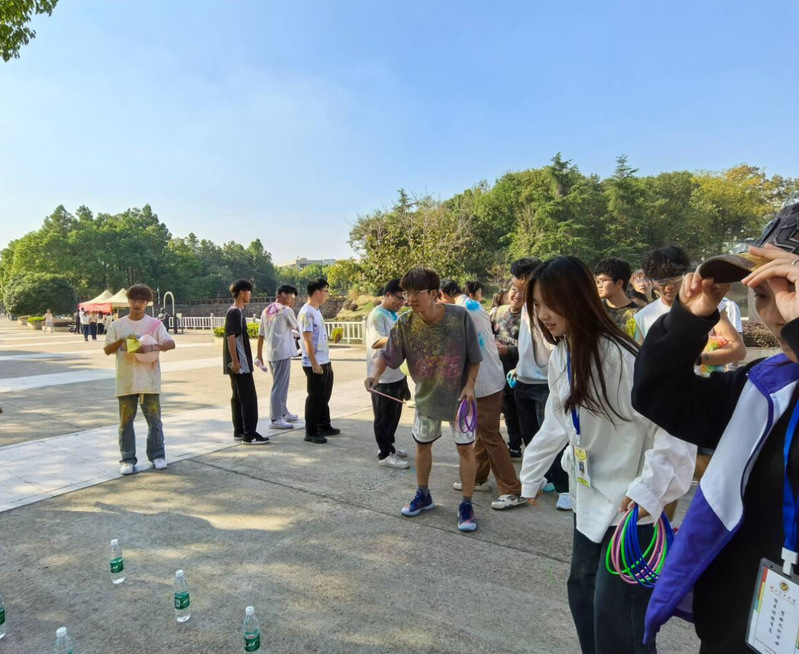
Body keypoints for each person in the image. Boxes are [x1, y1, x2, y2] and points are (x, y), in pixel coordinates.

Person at [632, 202, 799, 653]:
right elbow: (660, 397)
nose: (776, 313)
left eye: (791, 290)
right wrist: (688, 321)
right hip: (744, 622)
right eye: (762, 294)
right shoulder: (766, 386)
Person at [520, 256, 695, 654]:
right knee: (582, 594)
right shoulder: (564, 353)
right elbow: (557, 421)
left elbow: (672, 431)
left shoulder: (621, 357)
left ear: (576, 298)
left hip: (629, 510)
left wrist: (649, 490)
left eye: (550, 303)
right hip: (588, 498)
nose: (542, 315)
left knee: (618, 620)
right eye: (537, 305)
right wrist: (530, 476)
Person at [366, 267, 483, 532]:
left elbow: (475, 357)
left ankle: (466, 504)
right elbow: (387, 355)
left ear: (433, 293)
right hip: (426, 398)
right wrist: (374, 375)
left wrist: (470, 386)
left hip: (460, 399)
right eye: (407, 293)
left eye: (416, 293)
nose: (410, 299)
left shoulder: (459, 317)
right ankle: (423, 494)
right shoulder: (405, 323)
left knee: (466, 449)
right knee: (422, 446)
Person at [440, 280, 525, 510]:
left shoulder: (459, 312)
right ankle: (477, 477)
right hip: (490, 377)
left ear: (442, 294)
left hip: (483, 382)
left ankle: (512, 490)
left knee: (490, 436)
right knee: (481, 432)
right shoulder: (473, 305)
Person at [509, 258, 570, 509]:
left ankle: (565, 488)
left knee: (557, 434)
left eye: (516, 280)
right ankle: (547, 479)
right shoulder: (526, 305)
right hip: (524, 379)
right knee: (532, 435)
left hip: (545, 381)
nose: (543, 313)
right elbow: (527, 342)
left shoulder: (549, 310)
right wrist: (518, 367)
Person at [104, 284, 176, 475]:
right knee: (125, 422)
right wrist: (121, 341)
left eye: (142, 301)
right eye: (134, 300)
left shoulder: (155, 324)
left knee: (154, 420)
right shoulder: (117, 325)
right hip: (126, 381)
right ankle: (127, 459)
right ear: (128, 301)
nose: (137, 304)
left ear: (147, 303)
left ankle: (157, 455)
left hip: (149, 381)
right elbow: (107, 350)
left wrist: (152, 347)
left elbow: (171, 343)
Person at [365, 279, 410, 469]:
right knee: (383, 417)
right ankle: (384, 454)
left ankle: (388, 446)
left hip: (396, 373)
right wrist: (401, 337)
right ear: (388, 295)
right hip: (382, 376)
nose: (402, 302)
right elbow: (376, 342)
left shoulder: (393, 314)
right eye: (399, 298)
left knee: (393, 415)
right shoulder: (377, 315)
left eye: (404, 299)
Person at [224, 279, 269, 445]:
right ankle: (250, 434)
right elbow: (230, 337)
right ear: (242, 292)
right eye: (249, 292)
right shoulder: (235, 312)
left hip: (238, 363)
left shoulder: (236, 312)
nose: (250, 295)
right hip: (240, 364)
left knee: (238, 397)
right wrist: (236, 361)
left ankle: (239, 431)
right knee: (248, 399)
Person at [299, 278, 339, 444]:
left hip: (324, 359)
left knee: (324, 396)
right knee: (315, 397)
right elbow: (307, 340)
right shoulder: (306, 313)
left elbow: (318, 337)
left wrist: (333, 339)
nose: (327, 295)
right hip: (314, 362)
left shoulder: (316, 311)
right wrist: (314, 363)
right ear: (317, 292)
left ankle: (324, 425)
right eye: (325, 291)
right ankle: (311, 431)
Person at [256, 284, 301, 430]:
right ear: (283, 294)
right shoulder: (286, 310)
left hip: (271, 353)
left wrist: (259, 354)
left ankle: (283, 412)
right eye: (292, 297)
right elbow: (297, 327)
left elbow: (261, 334)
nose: (293, 300)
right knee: (280, 386)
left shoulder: (266, 310)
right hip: (282, 352)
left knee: (280, 384)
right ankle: (275, 418)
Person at [492, 284, 523, 459]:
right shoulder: (499, 312)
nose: (517, 295)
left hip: (521, 372)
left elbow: (534, 348)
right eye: (514, 290)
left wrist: (509, 350)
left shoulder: (530, 316)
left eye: (522, 292)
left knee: (522, 412)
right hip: (500, 370)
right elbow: (489, 335)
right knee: (508, 410)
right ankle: (514, 446)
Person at [594, 257, 641, 337]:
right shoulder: (596, 310)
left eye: (603, 280)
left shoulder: (638, 315)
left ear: (619, 283)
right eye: (597, 281)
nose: (599, 285)